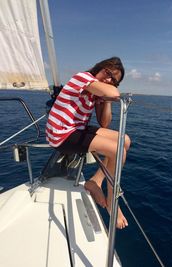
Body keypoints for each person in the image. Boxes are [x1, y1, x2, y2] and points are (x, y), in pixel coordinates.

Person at [46, 57, 131, 229]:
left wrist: (105, 101)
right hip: (60, 134)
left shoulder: (96, 92)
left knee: (125, 140)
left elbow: (104, 123)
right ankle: (112, 201)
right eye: (108, 73)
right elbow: (114, 93)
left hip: (76, 129)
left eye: (114, 80)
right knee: (117, 150)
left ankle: (95, 181)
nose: (108, 80)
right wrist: (111, 90)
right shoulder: (83, 78)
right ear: (99, 68)